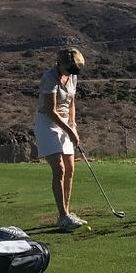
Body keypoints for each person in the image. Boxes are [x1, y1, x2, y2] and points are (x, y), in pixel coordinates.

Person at [35, 47, 87, 231]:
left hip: (65, 122)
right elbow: (51, 110)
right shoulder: (49, 78)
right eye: (71, 68)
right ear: (60, 64)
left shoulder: (72, 76)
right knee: (60, 169)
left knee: (70, 169)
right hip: (47, 123)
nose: (74, 73)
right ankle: (62, 216)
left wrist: (73, 126)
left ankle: (67, 211)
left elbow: (72, 103)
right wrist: (69, 131)